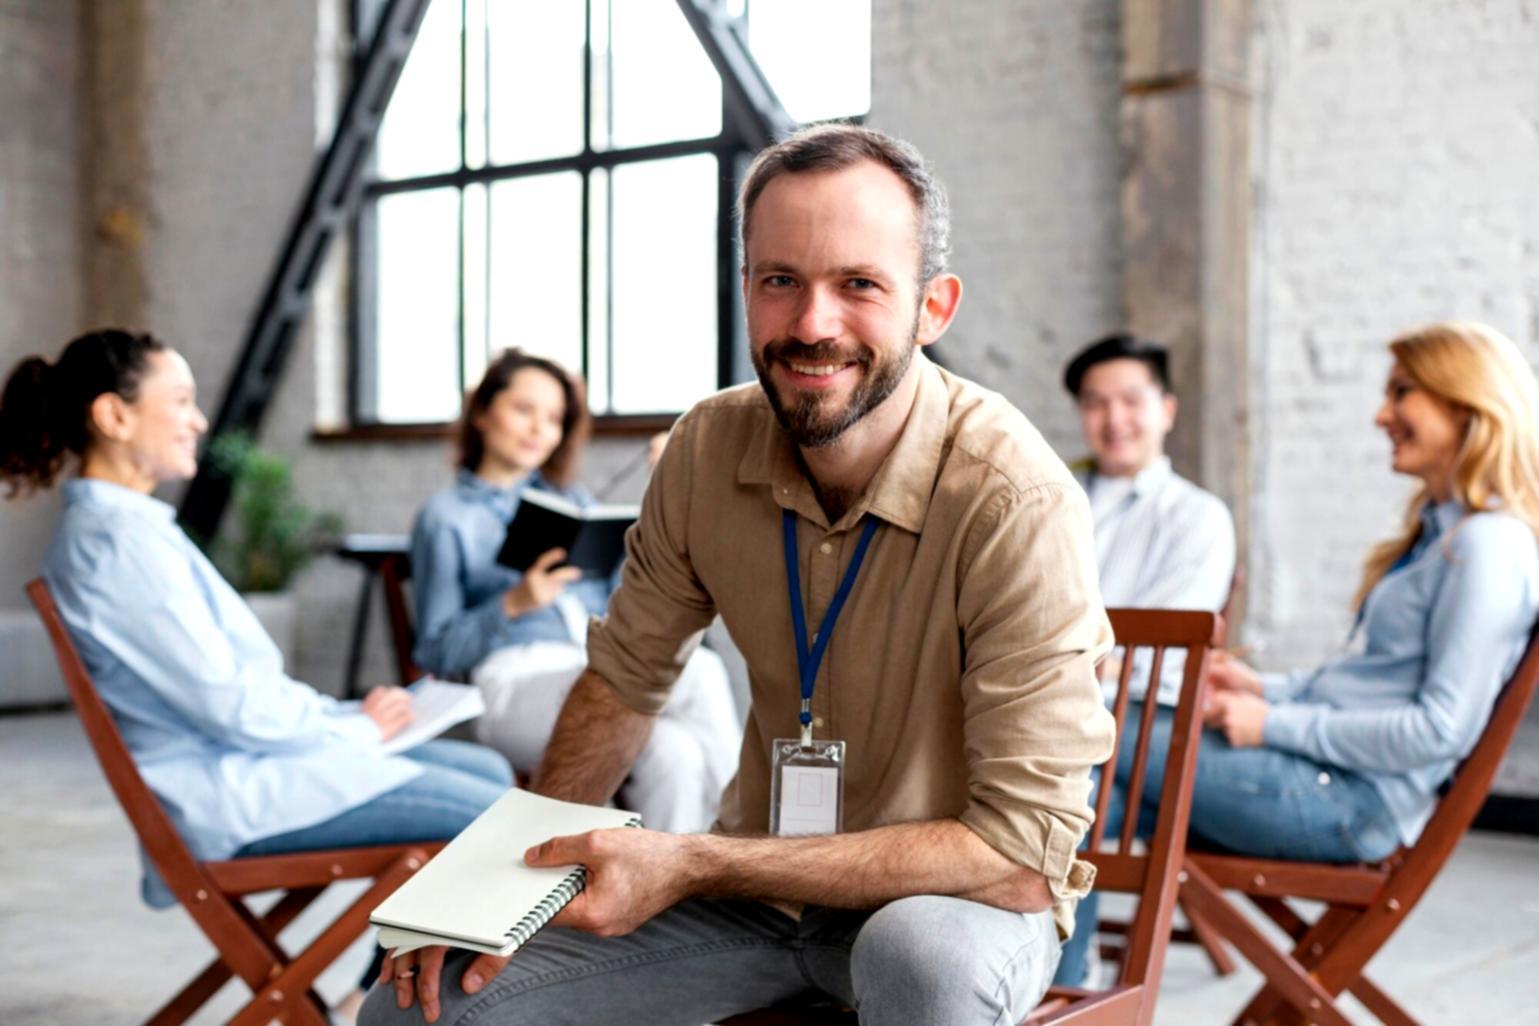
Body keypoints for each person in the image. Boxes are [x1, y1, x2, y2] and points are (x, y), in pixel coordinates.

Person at [363, 124, 1116, 1026]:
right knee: (425, 1006)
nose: (811, 325)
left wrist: (694, 862)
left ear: (933, 308)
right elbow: (621, 684)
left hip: (954, 905)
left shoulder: (1013, 499)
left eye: (859, 285)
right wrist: (482, 895)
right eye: (779, 280)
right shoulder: (703, 449)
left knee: (916, 960)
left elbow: (1016, 852)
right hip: (756, 907)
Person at [0, 330, 513, 1021]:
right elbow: (228, 705)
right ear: (113, 417)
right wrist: (354, 728)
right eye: (179, 399)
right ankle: (396, 1007)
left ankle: (374, 996)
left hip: (241, 765)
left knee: (490, 777)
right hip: (225, 793)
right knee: (495, 825)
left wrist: (344, 719)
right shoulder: (116, 545)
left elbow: (228, 688)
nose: (199, 419)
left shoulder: (129, 531)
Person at [1055, 320, 1539, 986]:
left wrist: (1270, 723)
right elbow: (1357, 683)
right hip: (1325, 775)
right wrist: (1262, 690)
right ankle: (1061, 992)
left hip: (1351, 804)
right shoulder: (1441, 534)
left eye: (1401, 393)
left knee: (1096, 747)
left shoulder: (1488, 548)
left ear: (1464, 404)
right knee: (1081, 791)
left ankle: (1058, 993)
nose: (1380, 414)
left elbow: (1438, 731)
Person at [409, 348, 740, 832]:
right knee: (700, 670)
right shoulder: (446, 517)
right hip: (511, 687)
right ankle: (747, 837)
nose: (538, 429)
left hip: (594, 664)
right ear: (481, 413)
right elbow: (436, 653)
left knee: (675, 753)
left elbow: (633, 599)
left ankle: (673, 896)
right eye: (524, 410)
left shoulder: (575, 505)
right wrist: (513, 604)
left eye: (554, 418)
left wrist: (664, 491)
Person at [1064, 332, 1235, 703]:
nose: (1114, 419)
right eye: (1096, 404)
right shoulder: (1050, 497)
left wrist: (1054, 670)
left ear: (1167, 411)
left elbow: (1160, 657)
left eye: (1131, 401)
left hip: (1138, 707)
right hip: (1044, 697)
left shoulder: (1198, 516)